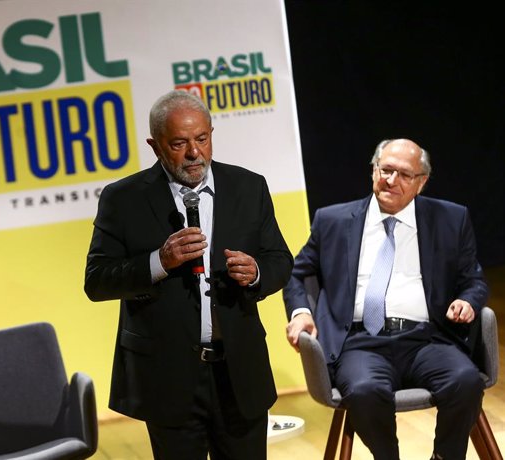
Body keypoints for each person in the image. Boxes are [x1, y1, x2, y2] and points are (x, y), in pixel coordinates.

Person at [84, 90, 293, 459]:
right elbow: (97, 280)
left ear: (211, 133)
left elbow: (280, 259)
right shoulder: (123, 199)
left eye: (202, 139)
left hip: (238, 371)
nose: (194, 153)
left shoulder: (248, 187)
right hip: (168, 377)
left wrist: (257, 272)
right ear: (155, 145)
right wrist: (158, 262)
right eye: (179, 143)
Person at [283, 138, 489, 460]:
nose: (391, 180)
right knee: (365, 391)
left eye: (404, 174)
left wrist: (468, 301)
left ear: (421, 183)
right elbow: (297, 273)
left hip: (428, 339)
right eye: (386, 169)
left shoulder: (450, 218)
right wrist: (299, 313)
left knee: (465, 381)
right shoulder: (333, 220)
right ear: (373, 171)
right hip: (361, 341)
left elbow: (473, 280)